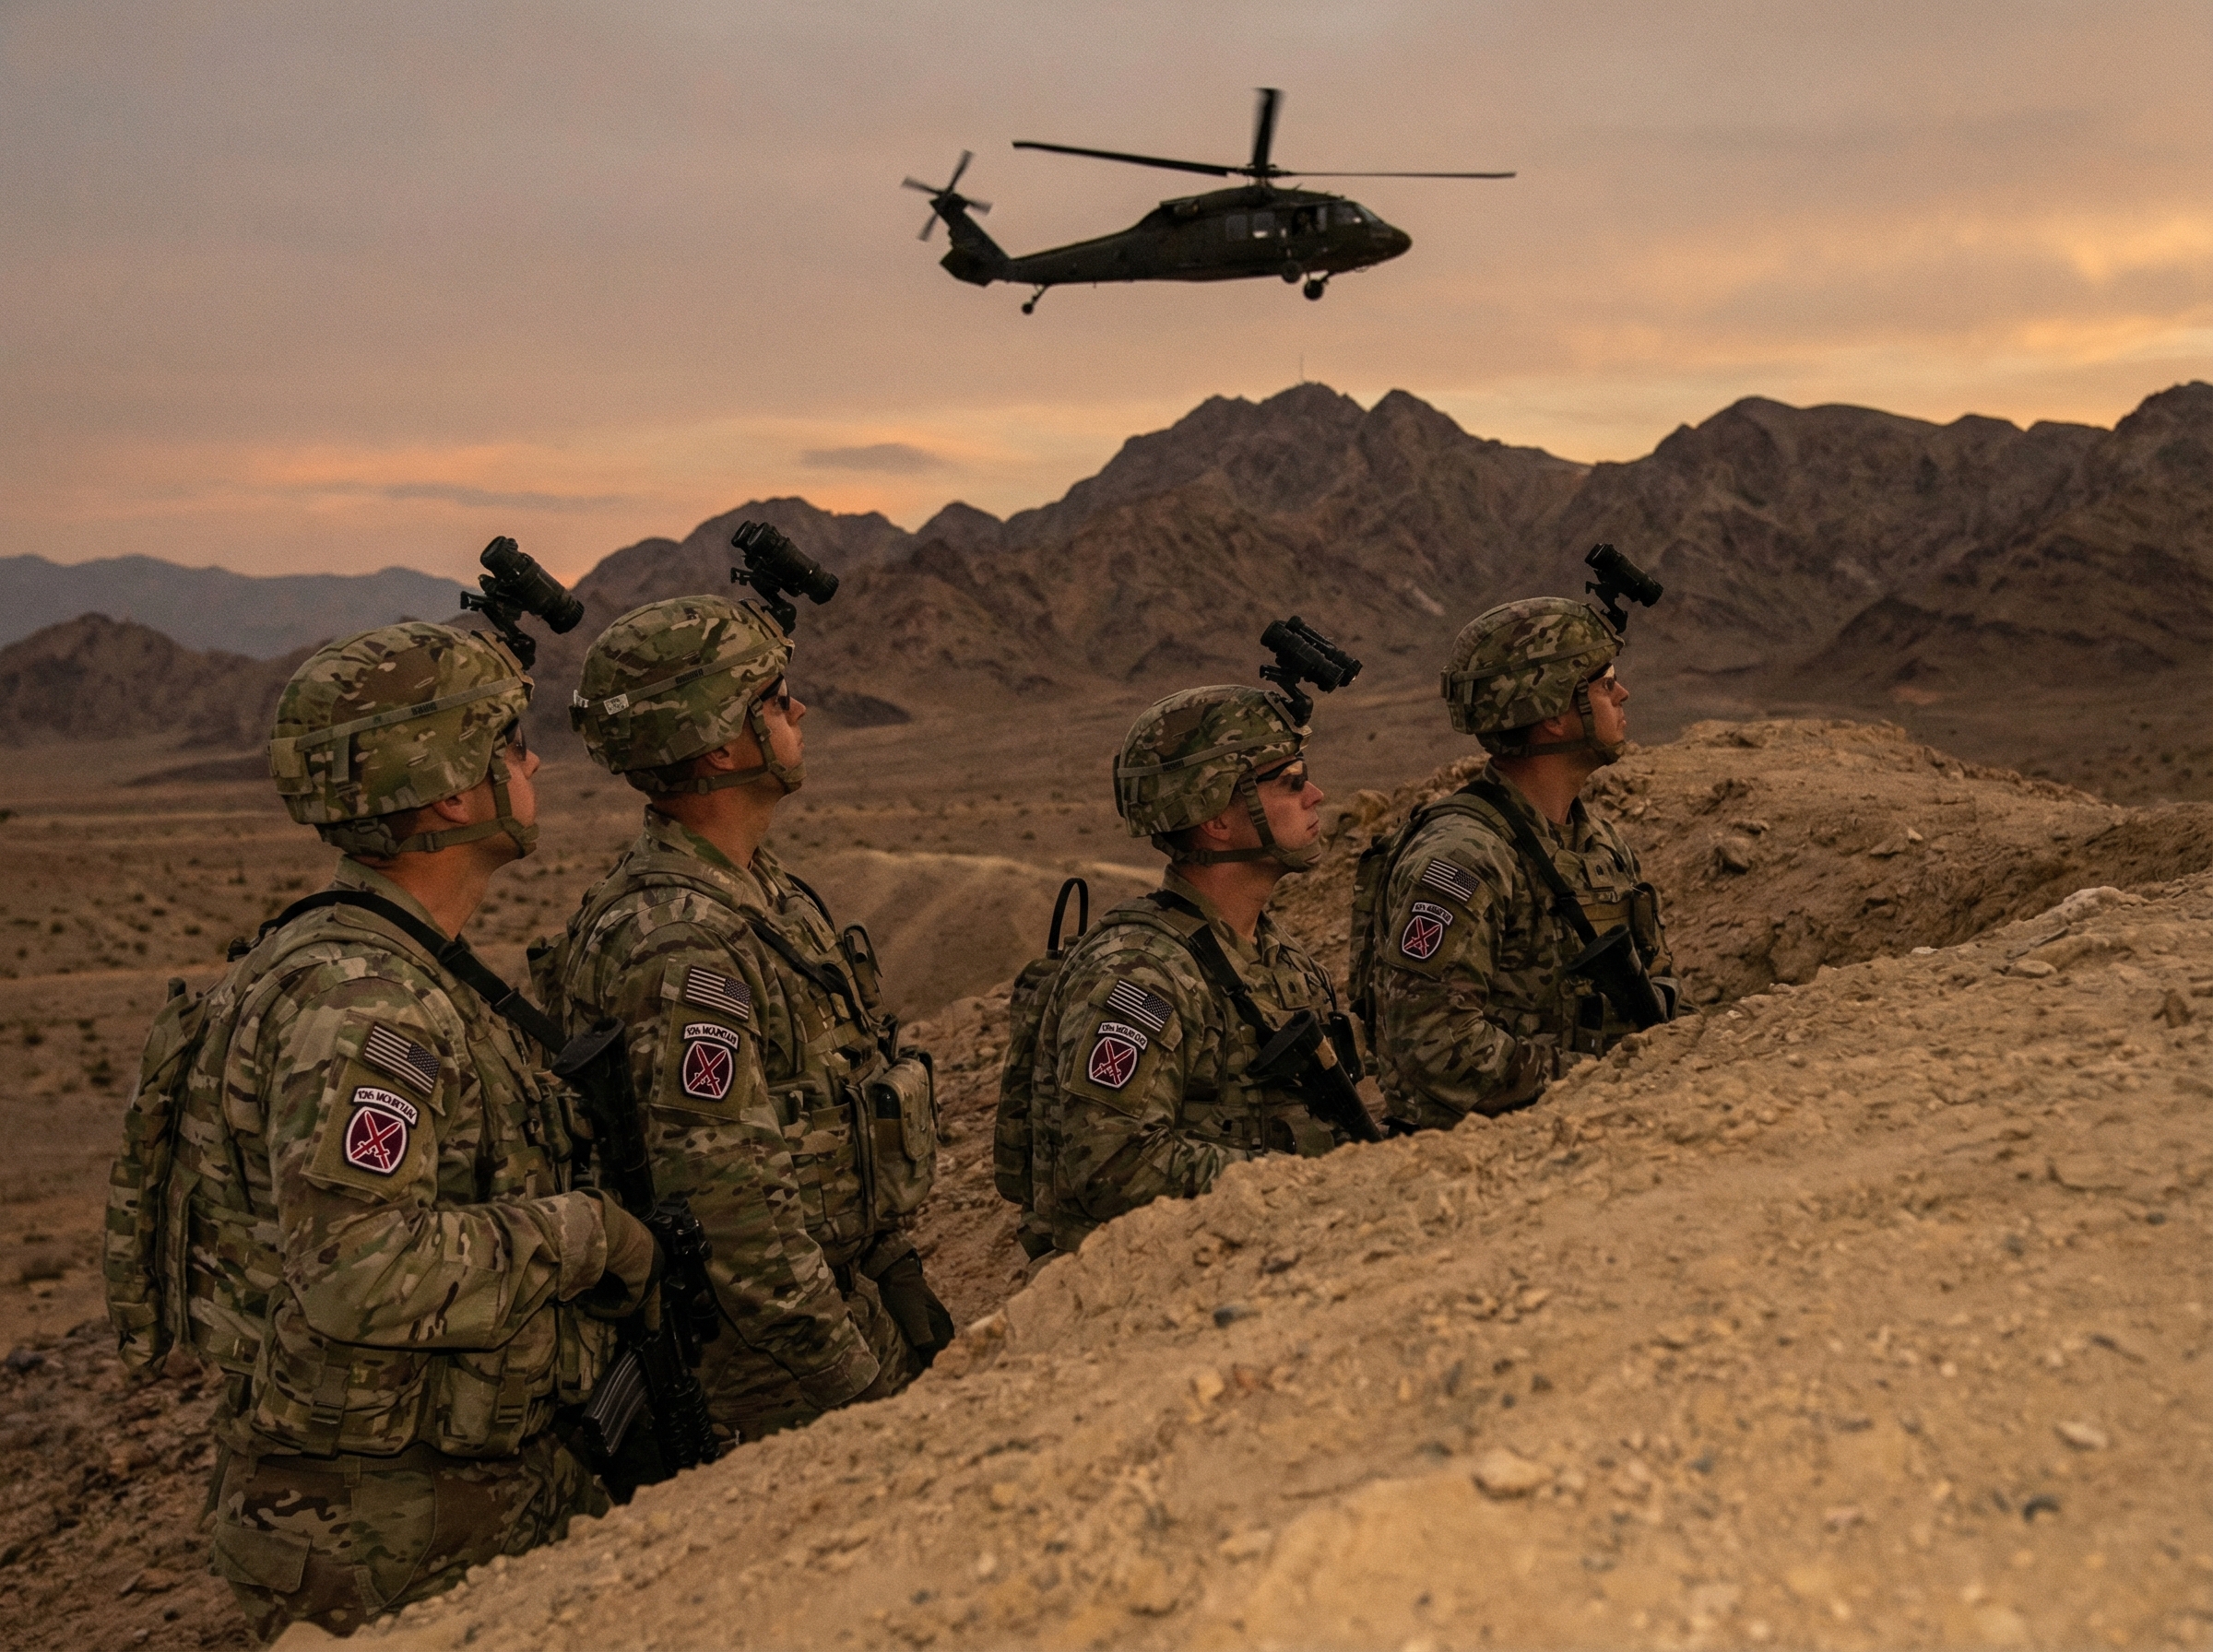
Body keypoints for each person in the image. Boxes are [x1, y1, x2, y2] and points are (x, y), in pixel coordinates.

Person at [116, 622, 656, 1641]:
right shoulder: (368, 1005)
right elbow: (360, 1270)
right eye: (508, 743)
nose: (533, 761)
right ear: (453, 791)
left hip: (408, 1505)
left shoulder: (379, 958)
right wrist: (591, 1233)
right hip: (382, 1536)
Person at [551, 594, 951, 1448]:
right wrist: (856, 1384)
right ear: (722, 741)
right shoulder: (678, 944)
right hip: (766, 1365)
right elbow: (734, 1216)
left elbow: (835, 1099)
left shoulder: (767, 894)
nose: (799, 709)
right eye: (773, 698)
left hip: (835, 1305)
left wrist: (895, 1281)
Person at [1015, 684, 1357, 1257]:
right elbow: (1112, 1164)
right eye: (1291, 782)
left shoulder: (1280, 957)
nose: (1316, 796)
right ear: (1218, 818)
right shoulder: (1140, 974)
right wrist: (1292, 1180)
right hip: (1141, 1295)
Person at [1355, 597, 1679, 1131]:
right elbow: (1437, 1047)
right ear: (1552, 714)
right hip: (1477, 1158)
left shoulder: (1598, 844)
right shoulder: (1465, 856)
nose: (1621, 694)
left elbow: (1664, 991)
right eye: (1603, 683)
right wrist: (1609, 1079)